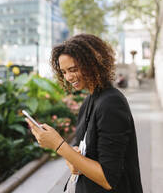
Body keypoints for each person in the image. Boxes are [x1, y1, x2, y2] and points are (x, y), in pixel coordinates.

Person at [26, 34, 143, 193]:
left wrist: (58, 145)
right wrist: (73, 159)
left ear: (92, 64)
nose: (68, 77)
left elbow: (108, 179)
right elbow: (83, 153)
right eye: (64, 72)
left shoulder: (111, 103)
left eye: (73, 69)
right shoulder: (89, 102)